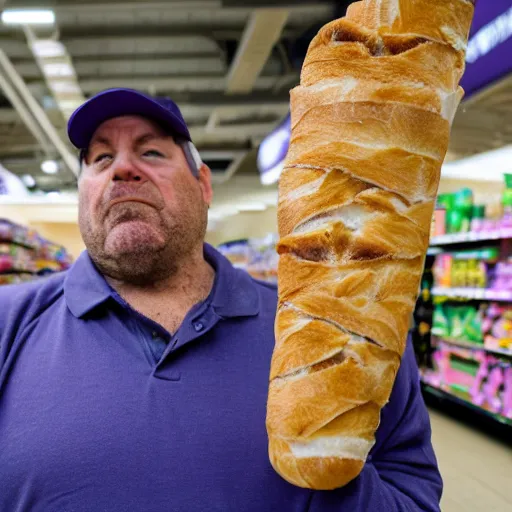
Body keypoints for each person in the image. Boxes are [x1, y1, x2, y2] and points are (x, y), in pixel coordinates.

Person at [0, 88, 442, 511]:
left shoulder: (342, 327)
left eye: (151, 152)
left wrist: (327, 472)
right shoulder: (9, 325)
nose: (123, 169)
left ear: (204, 185)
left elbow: (412, 488)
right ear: (82, 195)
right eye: (100, 158)